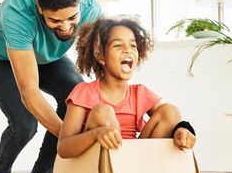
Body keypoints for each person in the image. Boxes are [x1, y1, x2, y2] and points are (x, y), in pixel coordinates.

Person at [0, 0, 103, 173]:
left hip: (48, 58)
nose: (66, 27)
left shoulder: (91, 8)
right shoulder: (16, 12)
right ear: (39, 8)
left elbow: (100, 63)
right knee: (25, 125)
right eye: (55, 20)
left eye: (72, 18)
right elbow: (29, 92)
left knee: (77, 96)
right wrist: (70, 139)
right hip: (1, 58)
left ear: (79, 3)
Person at [57, 18, 196, 159]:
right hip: (99, 165)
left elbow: (170, 119)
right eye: (118, 46)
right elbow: (63, 148)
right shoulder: (84, 92)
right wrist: (96, 134)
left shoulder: (140, 93)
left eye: (133, 46)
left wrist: (182, 130)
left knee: (170, 110)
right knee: (103, 111)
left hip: (135, 162)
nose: (128, 50)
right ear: (100, 56)